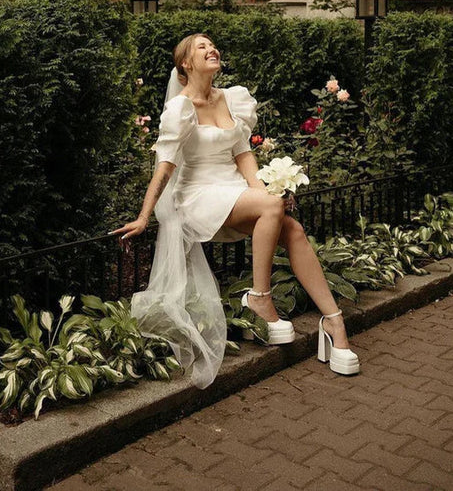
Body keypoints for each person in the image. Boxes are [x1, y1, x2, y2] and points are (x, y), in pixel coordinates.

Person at [112, 33, 359, 388]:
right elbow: (164, 168)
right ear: (185, 63)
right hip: (197, 195)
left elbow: (244, 156)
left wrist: (266, 194)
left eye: (213, 45)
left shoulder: (233, 99)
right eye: (202, 46)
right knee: (275, 209)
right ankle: (259, 298)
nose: (212, 49)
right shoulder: (180, 108)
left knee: (294, 230)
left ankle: (334, 321)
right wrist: (143, 215)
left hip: (234, 190)